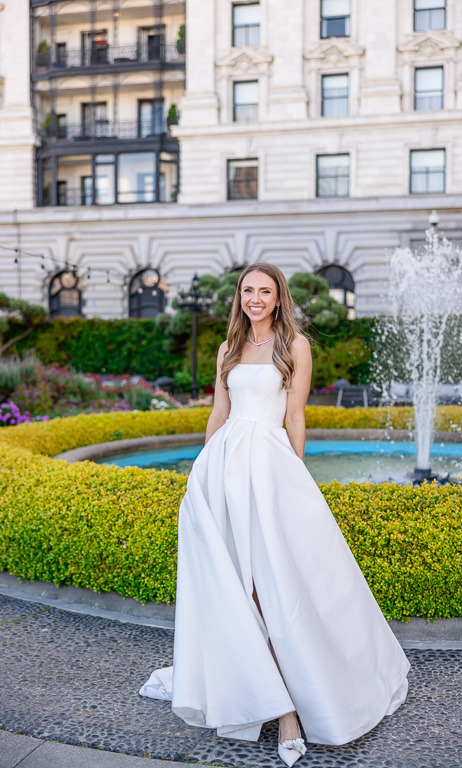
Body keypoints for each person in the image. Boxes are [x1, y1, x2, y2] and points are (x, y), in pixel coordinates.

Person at [139, 262, 410, 766]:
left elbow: (295, 415)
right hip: (222, 472)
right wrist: (202, 475)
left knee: (276, 588)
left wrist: (296, 477)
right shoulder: (227, 348)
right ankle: (266, 698)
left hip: (269, 471)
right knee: (237, 585)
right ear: (239, 296)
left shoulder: (296, 346)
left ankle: (288, 708)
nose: (255, 298)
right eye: (248, 290)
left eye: (265, 291)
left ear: (279, 297)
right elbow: (218, 415)